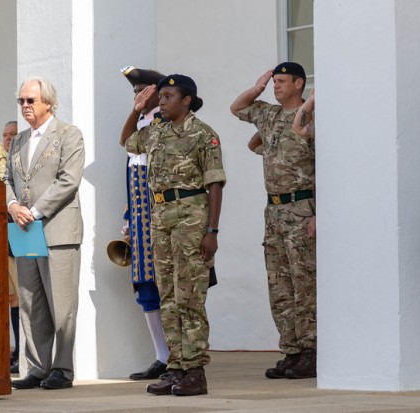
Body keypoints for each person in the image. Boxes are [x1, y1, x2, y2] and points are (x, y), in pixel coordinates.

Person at [120, 74, 226, 396]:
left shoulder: (203, 135)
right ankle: (175, 368)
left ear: (186, 101)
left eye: (168, 97)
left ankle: (195, 371)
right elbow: (126, 140)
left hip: (191, 217)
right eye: (160, 96)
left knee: (189, 297)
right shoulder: (155, 132)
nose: (161, 102)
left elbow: (215, 184)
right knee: (168, 297)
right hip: (160, 219)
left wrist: (212, 230)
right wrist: (135, 110)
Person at [230, 62, 316, 379]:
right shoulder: (267, 114)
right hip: (274, 211)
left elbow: (324, 165)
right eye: (274, 81)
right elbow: (236, 107)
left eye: (281, 81)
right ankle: (291, 351)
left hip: (301, 208)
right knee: (279, 284)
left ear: (298, 83)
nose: (276, 85)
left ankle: (311, 352)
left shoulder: (311, 117)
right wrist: (257, 88)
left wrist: (318, 213)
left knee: (303, 282)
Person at [5, 77, 85, 390]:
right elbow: (5, 179)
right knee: (30, 301)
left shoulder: (68, 134)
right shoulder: (18, 140)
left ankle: (62, 369)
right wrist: (12, 205)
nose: (25, 106)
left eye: (31, 101)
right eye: (22, 101)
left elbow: (68, 181)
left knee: (61, 303)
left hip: (56, 228)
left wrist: (34, 211)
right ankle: (37, 367)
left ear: (48, 103)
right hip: (24, 229)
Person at [119, 66, 169, 381]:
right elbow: (131, 171)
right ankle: (161, 356)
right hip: (139, 220)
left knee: (172, 288)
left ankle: (181, 356)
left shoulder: (166, 125)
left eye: (142, 90)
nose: (138, 96)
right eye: (135, 92)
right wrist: (128, 217)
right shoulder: (139, 125)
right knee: (146, 288)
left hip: (165, 220)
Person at [2, 120, 21, 375]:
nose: (8, 138)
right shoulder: (0, 160)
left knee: (18, 297)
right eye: (5, 135)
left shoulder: (20, 162)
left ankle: (19, 351)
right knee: (7, 297)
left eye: (13, 135)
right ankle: (9, 350)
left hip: (17, 232)